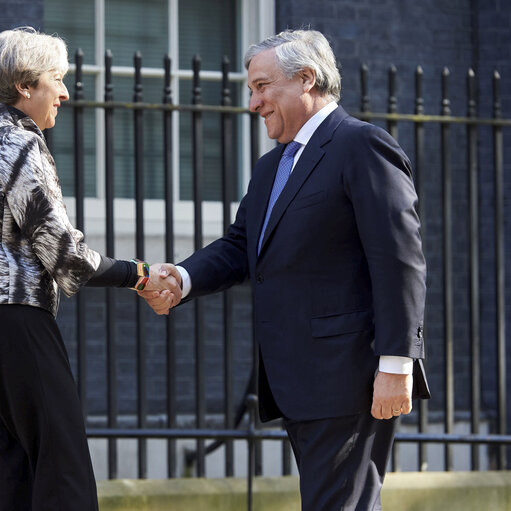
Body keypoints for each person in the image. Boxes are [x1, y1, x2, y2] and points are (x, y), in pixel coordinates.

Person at [142, 29, 430, 510]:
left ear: (306, 79)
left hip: (349, 378)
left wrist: (397, 365)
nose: (253, 103)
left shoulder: (361, 146)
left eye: (261, 86)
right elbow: (241, 247)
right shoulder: (270, 167)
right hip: (298, 379)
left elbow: (400, 259)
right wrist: (182, 279)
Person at [0, 27, 180, 511]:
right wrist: (140, 274)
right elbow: (65, 255)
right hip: (13, 322)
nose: (64, 93)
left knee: (7, 474)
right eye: (56, 79)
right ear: (25, 86)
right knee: (62, 470)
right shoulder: (19, 144)